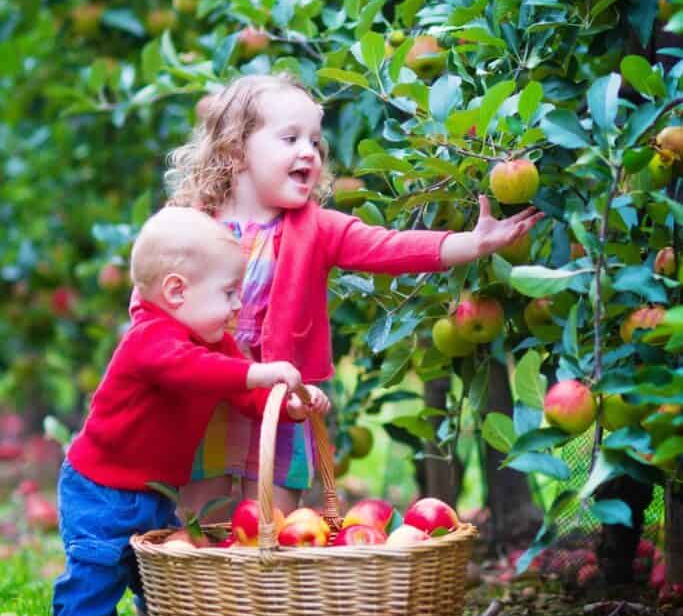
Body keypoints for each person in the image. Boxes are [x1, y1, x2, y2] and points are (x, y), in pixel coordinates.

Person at [162, 73, 543, 521]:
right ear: (234, 149)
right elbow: (151, 297)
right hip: (207, 395)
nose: (309, 150)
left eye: (315, 142)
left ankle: (265, 594)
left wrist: (472, 244)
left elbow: (389, 246)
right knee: (202, 520)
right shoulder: (189, 225)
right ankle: (200, 593)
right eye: (290, 138)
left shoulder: (315, 228)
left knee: (271, 526)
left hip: (280, 400)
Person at [49, 206, 330, 616]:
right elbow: (194, 371)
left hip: (155, 493)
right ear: (177, 291)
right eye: (228, 293)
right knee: (96, 571)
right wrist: (259, 373)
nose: (238, 305)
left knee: (158, 575)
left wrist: (290, 407)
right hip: (100, 489)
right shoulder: (149, 340)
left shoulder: (214, 340)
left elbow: (238, 389)